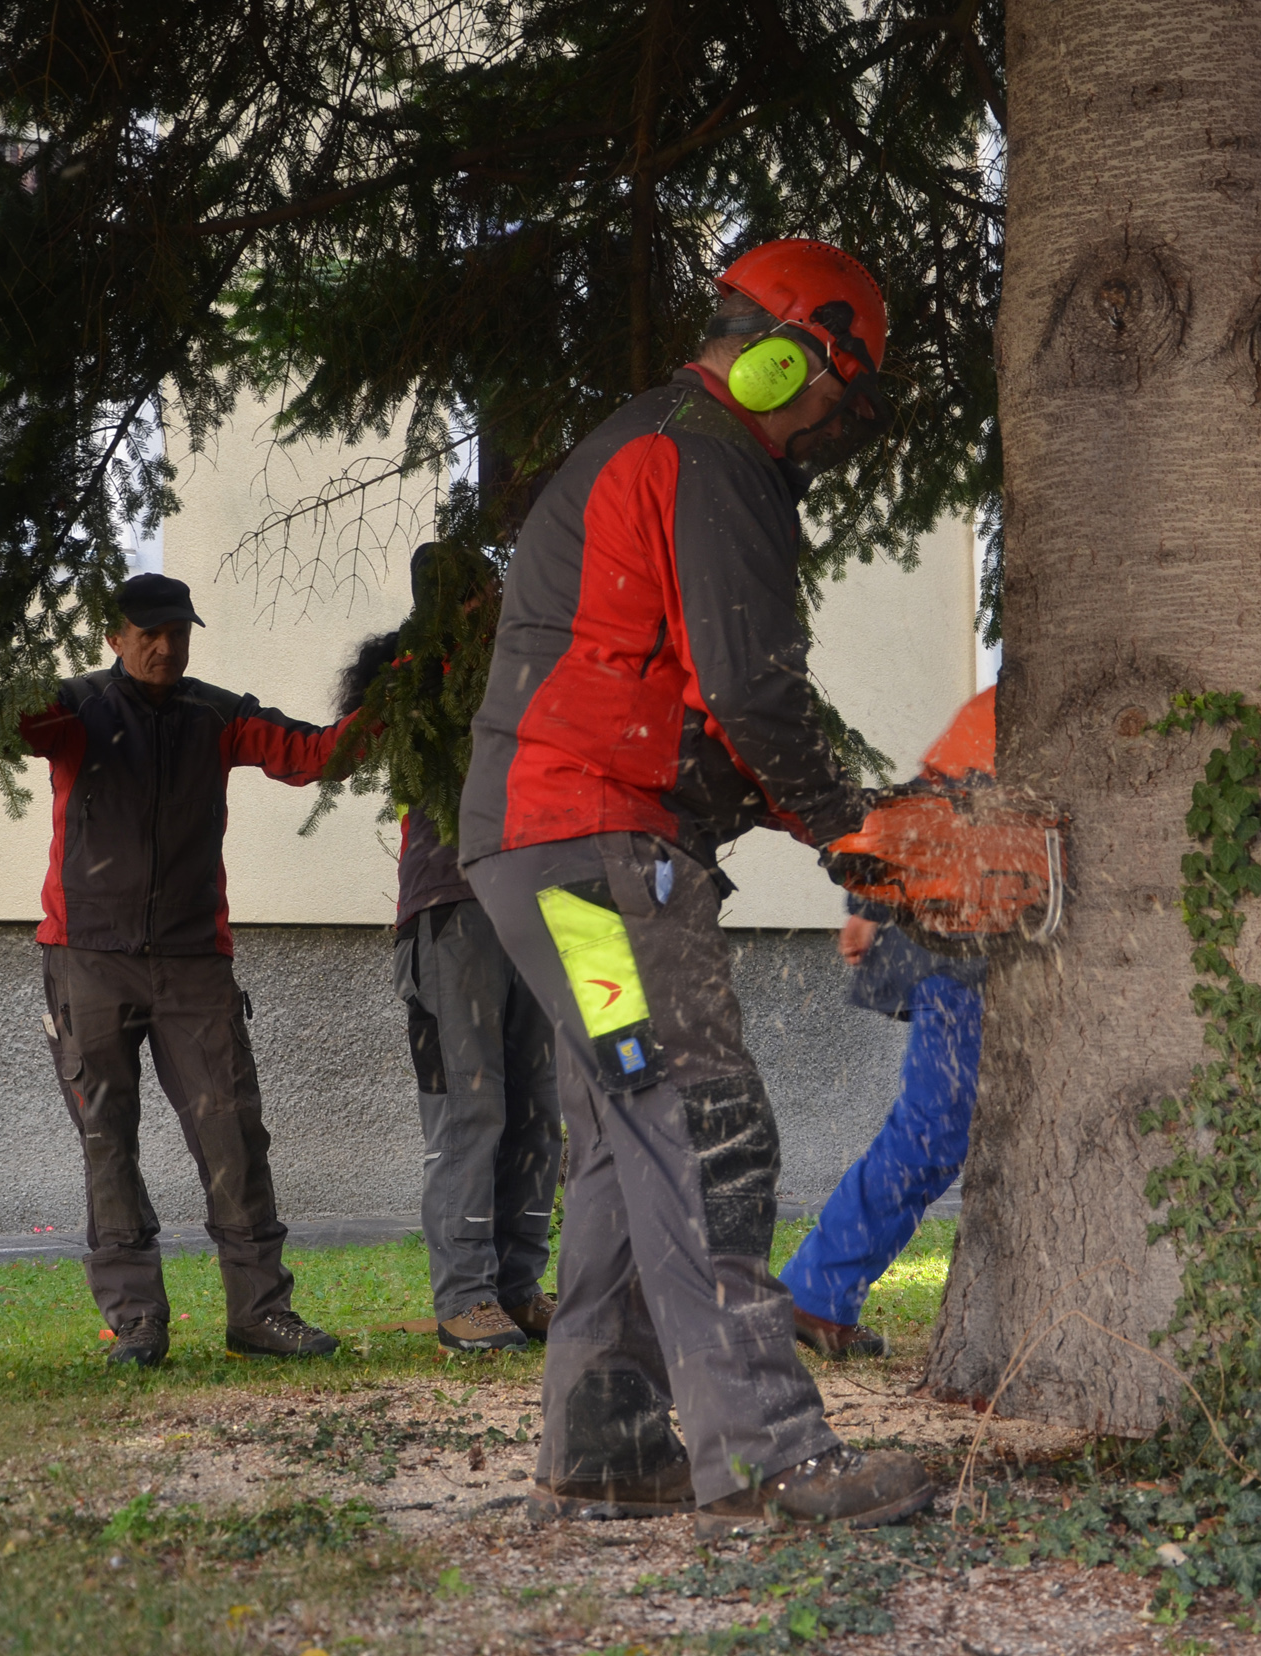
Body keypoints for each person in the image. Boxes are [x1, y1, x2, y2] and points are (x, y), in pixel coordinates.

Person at [458, 237, 934, 1535]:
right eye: (836, 389)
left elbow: (698, 714)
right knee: (706, 1124)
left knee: (627, 1142)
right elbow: (750, 694)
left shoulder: (655, 442)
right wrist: (854, 828)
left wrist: (831, 826)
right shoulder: (711, 454)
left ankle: (605, 1453)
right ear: (787, 354)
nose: (832, 423)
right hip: (594, 860)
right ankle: (771, 1456)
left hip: (554, 850)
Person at [20, 571, 352, 1367]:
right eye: (148, 633)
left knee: (232, 1135)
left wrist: (401, 697)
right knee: (108, 1143)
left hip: (195, 964)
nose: (166, 647)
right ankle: (137, 1321)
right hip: (86, 958)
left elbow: (311, 755)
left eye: (178, 632)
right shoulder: (74, 708)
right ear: (115, 638)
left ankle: (260, 1313)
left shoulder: (218, 715)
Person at [338, 623, 562, 1354]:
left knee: (537, 1111)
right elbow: (372, 731)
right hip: (449, 910)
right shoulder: (411, 681)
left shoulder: (524, 662)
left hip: (533, 903)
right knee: (470, 1111)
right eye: (465, 599)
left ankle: (519, 1290)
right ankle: (465, 1299)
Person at [782, 689, 993, 1361]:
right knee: (935, 1128)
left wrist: (866, 904)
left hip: (975, 941)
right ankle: (815, 1292)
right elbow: (922, 805)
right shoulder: (1006, 709)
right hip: (954, 946)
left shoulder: (1003, 704)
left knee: (938, 1130)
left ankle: (819, 1291)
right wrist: (867, 902)